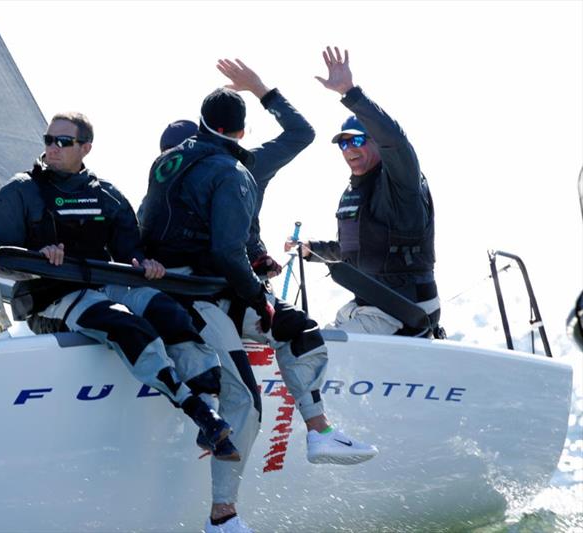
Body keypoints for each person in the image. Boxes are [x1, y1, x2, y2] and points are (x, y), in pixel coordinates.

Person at [141, 60, 377, 533]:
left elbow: (208, 239)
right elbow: (224, 250)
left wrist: (256, 264)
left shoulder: (174, 164)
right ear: (242, 130)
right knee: (246, 398)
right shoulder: (235, 168)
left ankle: (320, 432)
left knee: (299, 329)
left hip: (217, 288)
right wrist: (262, 89)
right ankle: (222, 517)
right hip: (196, 297)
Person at [0, 112, 243, 472]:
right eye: (48, 140)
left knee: (170, 313)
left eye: (63, 141)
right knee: (127, 325)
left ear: (85, 148)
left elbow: (129, 251)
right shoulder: (20, 190)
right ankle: (197, 412)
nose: (52, 148)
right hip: (50, 300)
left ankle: (210, 400)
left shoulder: (105, 194)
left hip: (104, 286)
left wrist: (144, 263)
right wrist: (36, 257)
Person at [287, 47, 440, 336]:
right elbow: (357, 250)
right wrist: (312, 250)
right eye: (343, 144)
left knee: (325, 351)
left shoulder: (401, 181)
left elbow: (395, 140)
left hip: (407, 308)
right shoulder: (356, 188)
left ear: (375, 142)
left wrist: (350, 92)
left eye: (356, 140)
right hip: (370, 304)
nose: (349, 150)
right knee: (309, 340)